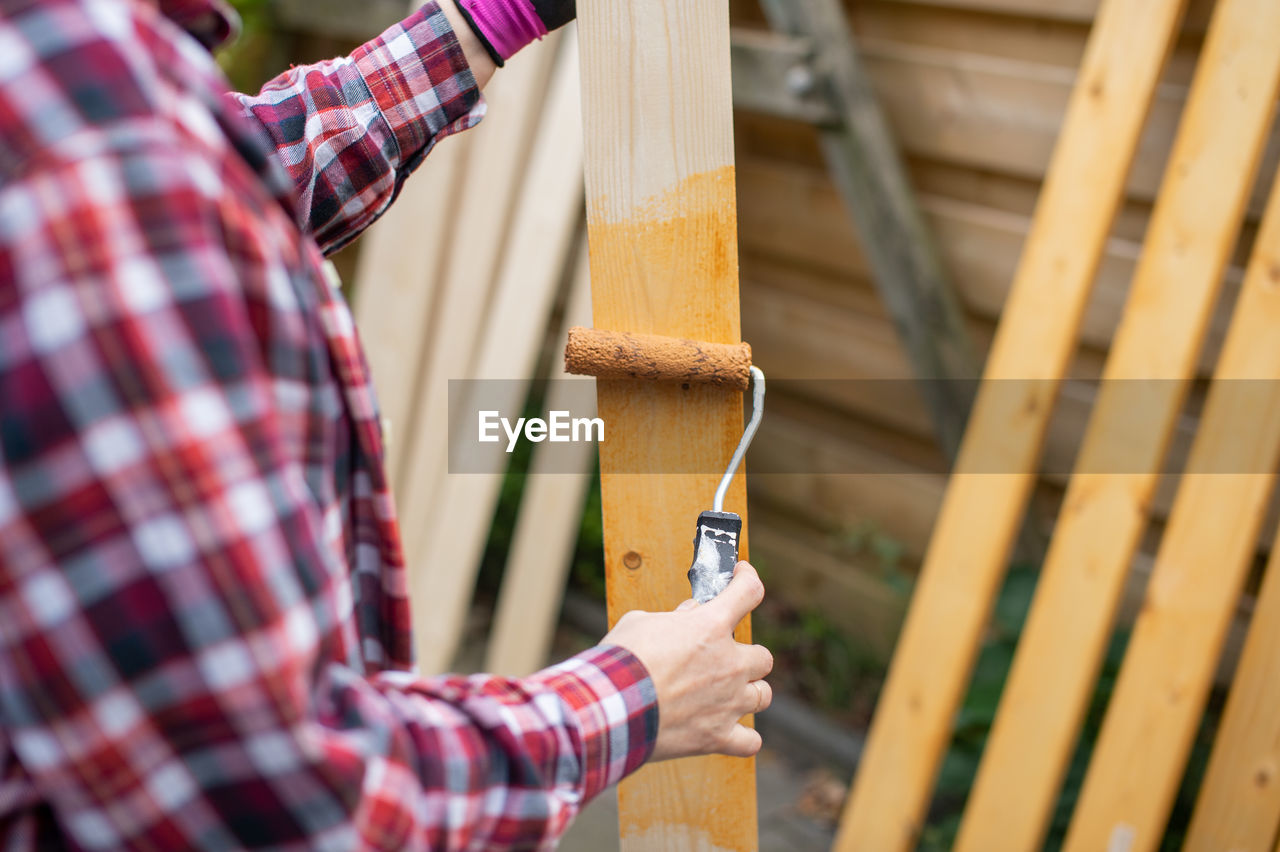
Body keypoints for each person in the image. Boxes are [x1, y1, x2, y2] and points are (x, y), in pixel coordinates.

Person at [0, 0, 774, 848]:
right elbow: (296, 803)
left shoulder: (88, 81)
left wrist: (487, 22)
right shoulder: (61, 127)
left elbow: (229, 178)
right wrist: (631, 702)